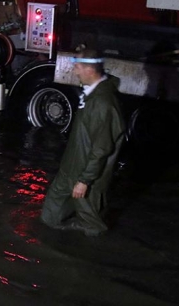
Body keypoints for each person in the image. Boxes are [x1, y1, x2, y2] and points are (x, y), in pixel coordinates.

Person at [40, 49, 125, 236]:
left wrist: (84, 181)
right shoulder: (91, 94)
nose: (74, 71)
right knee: (48, 217)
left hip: (83, 174)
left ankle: (93, 257)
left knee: (92, 225)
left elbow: (102, 148)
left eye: (77, 67)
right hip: (70, 167)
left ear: (89, 70)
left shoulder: (102, 103)